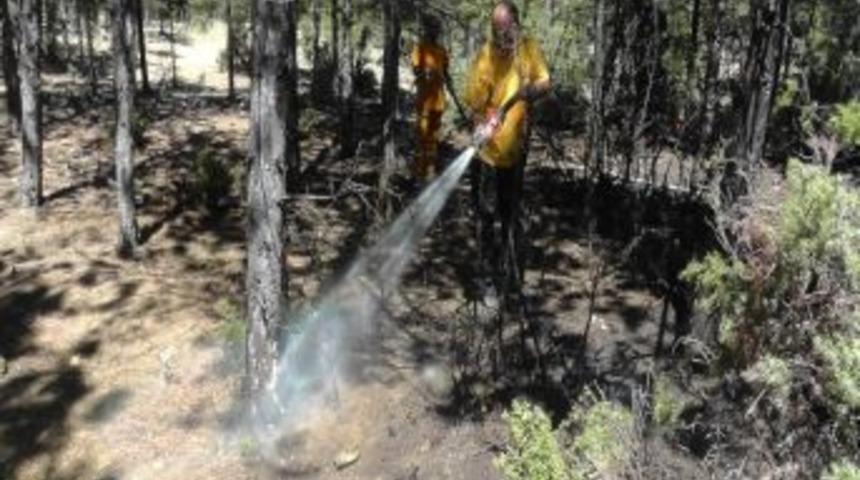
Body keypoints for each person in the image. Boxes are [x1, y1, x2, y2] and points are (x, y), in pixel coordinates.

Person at [463, 0, 551, 306]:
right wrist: (481, 126)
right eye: (495, 28)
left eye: (505, 27)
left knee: (512, 218)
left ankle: (513, 284)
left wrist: (530, 92)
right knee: (486, 218)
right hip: (488, 155)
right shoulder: (486, 56)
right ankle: (487, 283)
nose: (500, 33)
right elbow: (474, 101)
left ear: (516, 24)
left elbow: (544, 81)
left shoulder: (529, 49)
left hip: (516, 155)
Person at [411, 15, 451, 181]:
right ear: (427, 30)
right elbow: (415, 70)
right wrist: (424, 74)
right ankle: (418, 174)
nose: (435, 31)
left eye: (437, 28)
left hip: (438, 102)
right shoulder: (419, 49)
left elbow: (447, 73)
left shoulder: (442, 51)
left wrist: (449, 87)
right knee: (422, 137)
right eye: (432, 28)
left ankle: (430, 172)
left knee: (433, 138)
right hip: (424, 101)